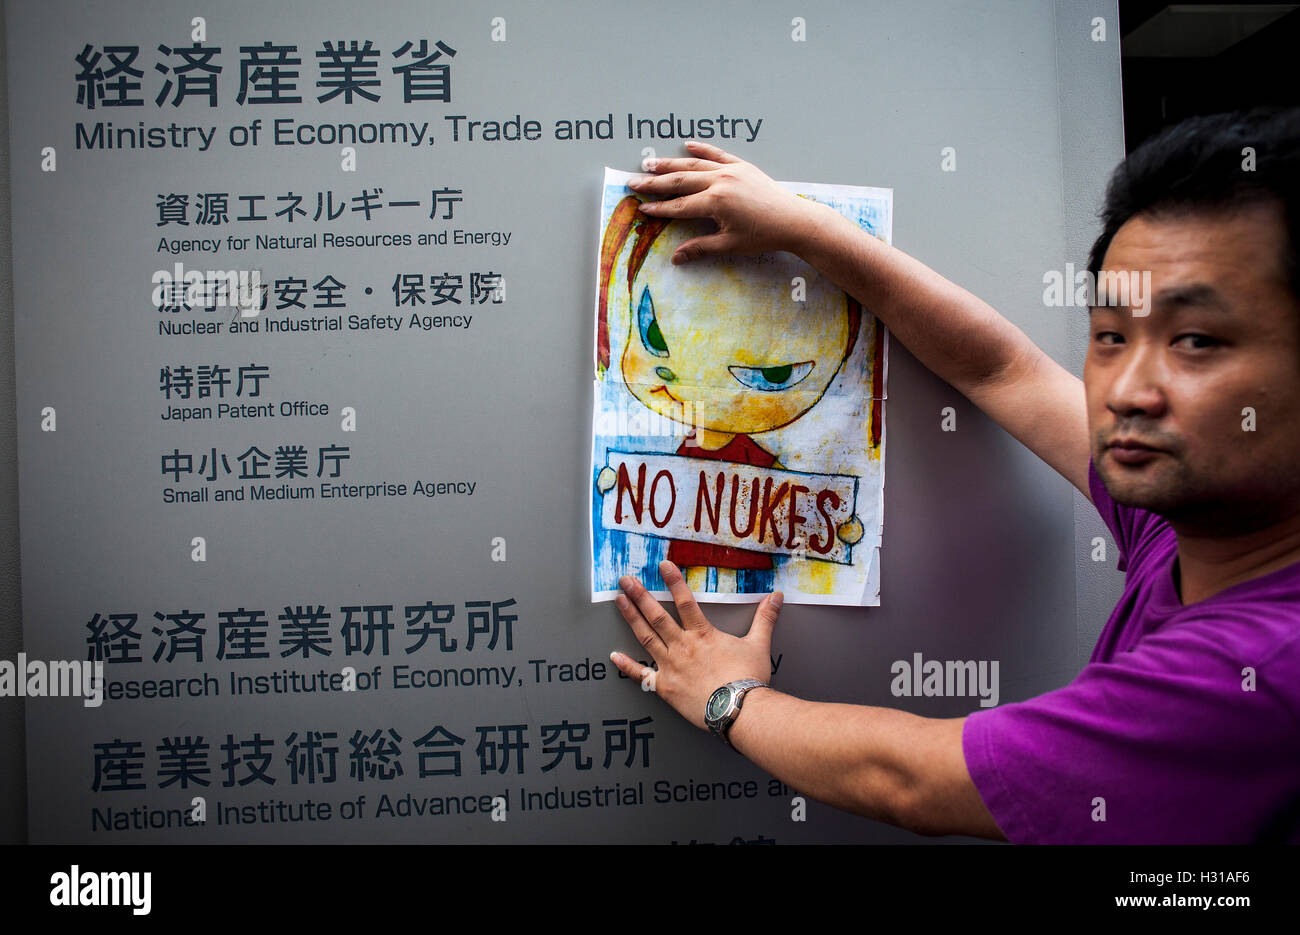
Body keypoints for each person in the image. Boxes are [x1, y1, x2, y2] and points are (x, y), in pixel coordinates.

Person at [607, 108, 1300, 843]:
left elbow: (913, 780)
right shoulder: (1190, 515)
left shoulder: (1257, 670)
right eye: (1111, 336)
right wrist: (803, 227)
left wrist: (728, 696)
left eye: (1195, 341)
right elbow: (1003, 368)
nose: (1128, 390)